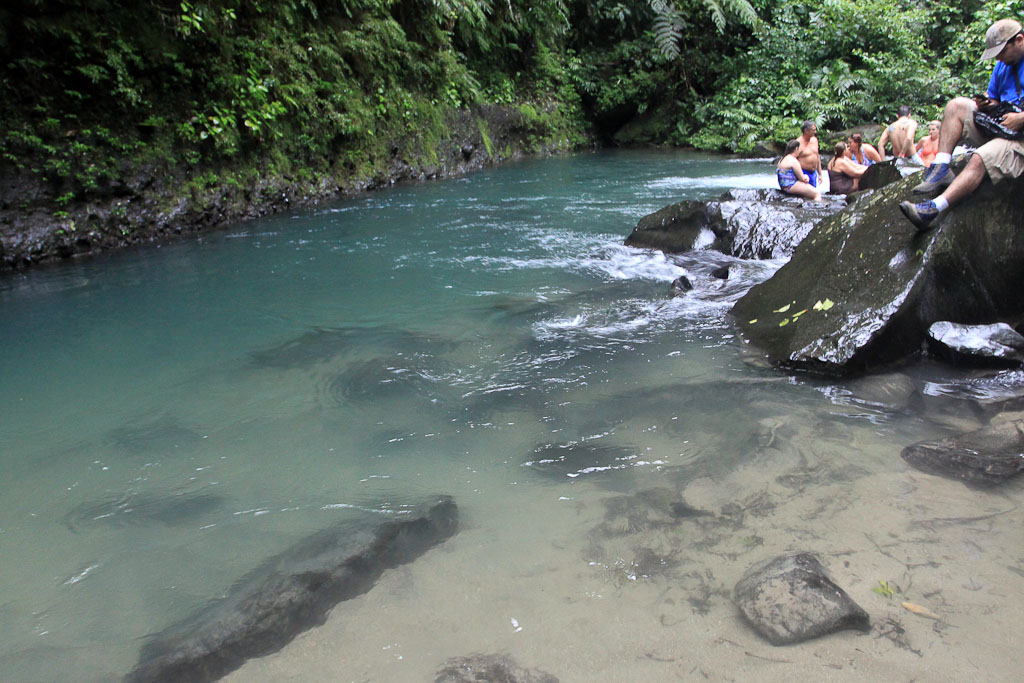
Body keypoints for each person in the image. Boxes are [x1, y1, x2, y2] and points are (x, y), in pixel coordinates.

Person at [900, 19, 1024, 231]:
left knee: (979, 158)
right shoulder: (1002, 66)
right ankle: (941, 168)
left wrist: (1021, 118)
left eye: (1002, 52)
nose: (999, 59)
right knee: (956, 106)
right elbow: (994, 97)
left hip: (1019, 140)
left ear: (1019, 40)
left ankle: (932, 209)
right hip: (1001, 126)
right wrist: (986, 103)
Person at [796, 120, 822, 188]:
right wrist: (800, 175)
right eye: (813, 130)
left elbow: (817, 156)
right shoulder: (798, 143)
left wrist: (820, 174)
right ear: (806, 130)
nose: (815, 132)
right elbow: (793, 160)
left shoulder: (815, 140)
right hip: (803, 172)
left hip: (813, 172)